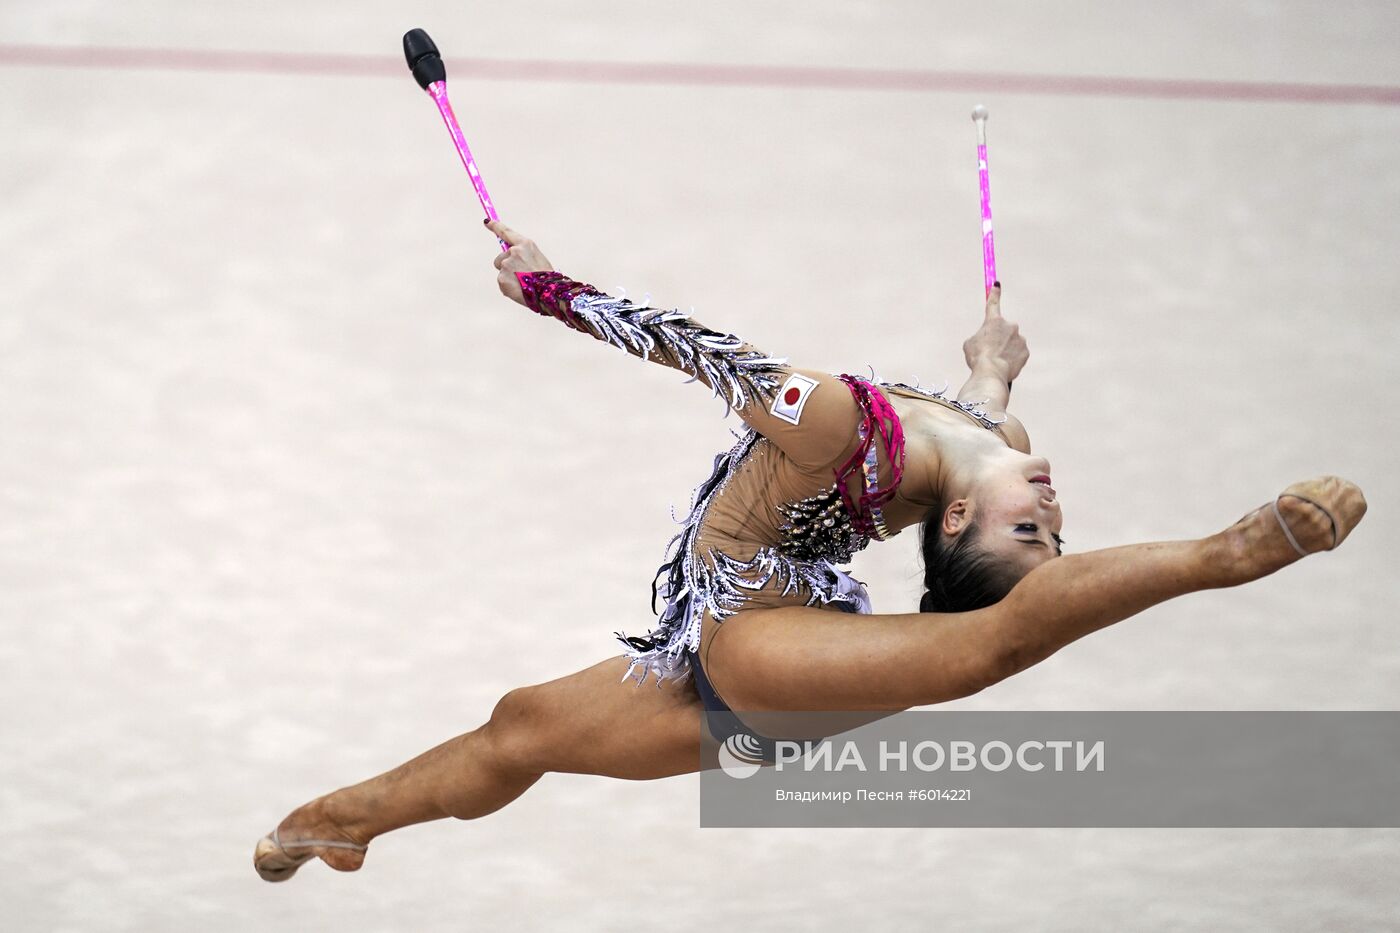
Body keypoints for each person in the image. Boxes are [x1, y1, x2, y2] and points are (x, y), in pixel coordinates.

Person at [254, 220, 1365, 880]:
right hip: (728, 652)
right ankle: (338, 823)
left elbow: (710, 355)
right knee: (521, 727)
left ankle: (1230, 553)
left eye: (1037, 528)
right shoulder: (994, 435)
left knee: (986, 651)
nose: (1049, 502)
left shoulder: (841, 422)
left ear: (959, 528)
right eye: (1050, 528)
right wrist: (989, 362)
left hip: (764, 649)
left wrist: (552, 289)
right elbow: (961, 414)